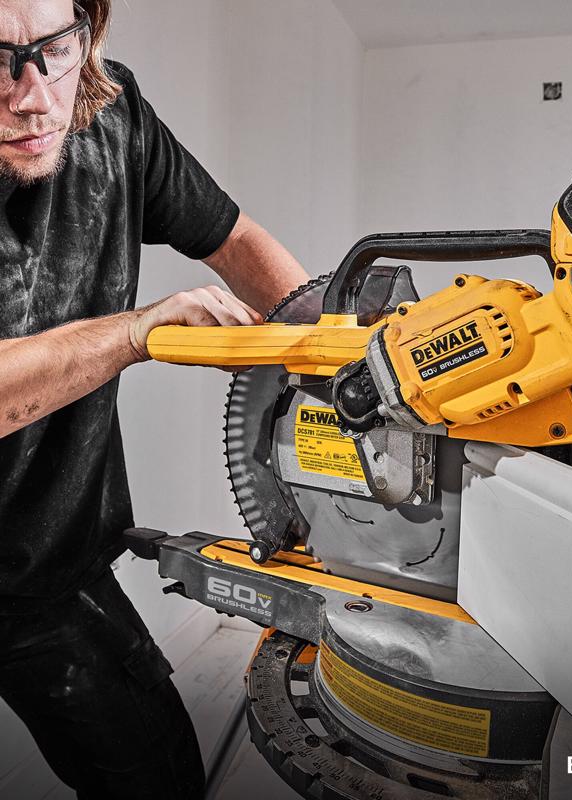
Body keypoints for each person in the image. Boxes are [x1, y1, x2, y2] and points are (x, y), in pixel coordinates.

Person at [0, 0, 308, 796]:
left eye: (55, 49)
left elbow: (233, 239)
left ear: (88, 29)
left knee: (158, 776)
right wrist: (137, 333)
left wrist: (329, 353)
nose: (33, 95)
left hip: (47, 561)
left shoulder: (112, 113)